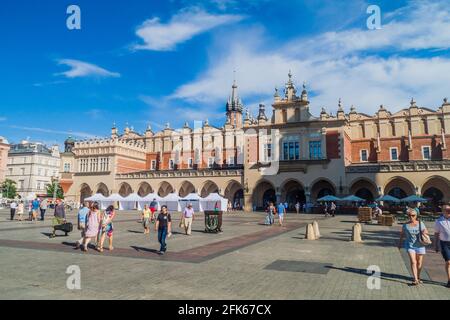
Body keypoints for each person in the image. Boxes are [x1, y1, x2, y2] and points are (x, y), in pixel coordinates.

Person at [398, 208, 429, 286]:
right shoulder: (405, 225)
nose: (411, 217)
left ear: (416, 216)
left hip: (420, 245)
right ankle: (415, 279)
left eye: (413, 215)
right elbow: (402, 235)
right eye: (409, 215)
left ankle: (418, 277)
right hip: (410, 246)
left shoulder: (421, 223)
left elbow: (426, 232)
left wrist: (425, 232)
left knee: (419, 263)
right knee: (413, 261)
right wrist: (399, 244)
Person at [434, 206, 450, 288]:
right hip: (444, 243)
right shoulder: (439, 221)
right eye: (446, 210)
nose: (448, 211)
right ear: (443, 211)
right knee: (448, 262)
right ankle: (449, 280)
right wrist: (435, 244)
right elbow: (436, 233)